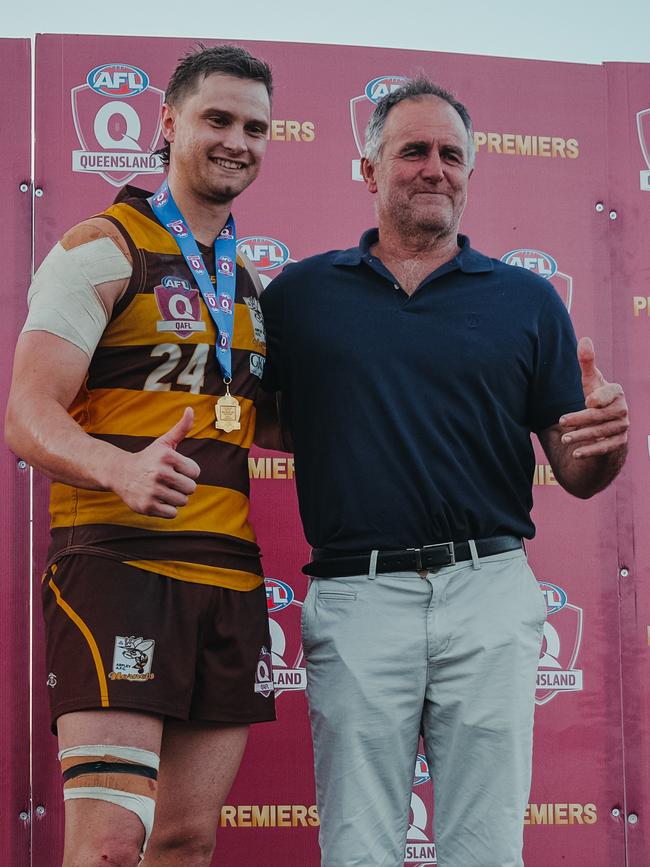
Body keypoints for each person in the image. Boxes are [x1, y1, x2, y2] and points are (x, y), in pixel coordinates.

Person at [260, 77, 629, 867]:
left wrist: (606, 446)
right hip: (355, 595)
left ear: (469, 171)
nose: (435, 168)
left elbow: (576, 470)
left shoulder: (528, 300)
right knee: (357, 847)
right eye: (413, 151)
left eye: (451, 154)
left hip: (488, 591)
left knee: (486, 848)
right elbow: (255, 417)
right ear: (368, 170)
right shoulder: (298, 296)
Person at [5, 44, 278, 867]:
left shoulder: (248, 289)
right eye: (218, 118)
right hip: (120, 568)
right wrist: (117, 467)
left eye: (255, 127)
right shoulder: (102, 245)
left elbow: (277, 425)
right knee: (112, 847)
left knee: (187, 841)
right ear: (167, 124)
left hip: (228, 579)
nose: (238, 139)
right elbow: (26, 411)